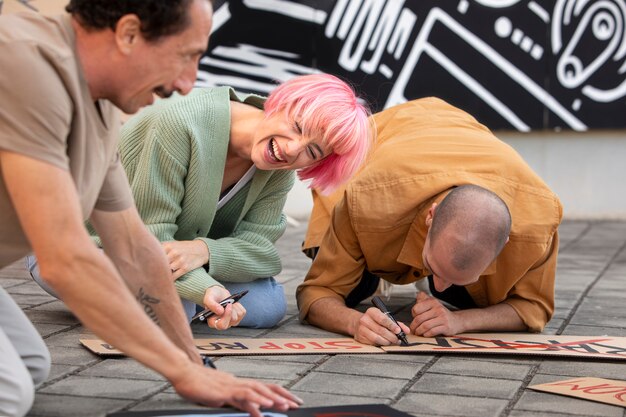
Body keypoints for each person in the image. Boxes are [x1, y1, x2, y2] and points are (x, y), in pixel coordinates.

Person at [0, 1, 300, 417]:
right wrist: (180, 372)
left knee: (30, 367)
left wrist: (194, 365)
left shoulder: (98, 103)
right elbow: (64, 260)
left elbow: (135, 247)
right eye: (186, 56)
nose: (187, 83)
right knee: (9, 393)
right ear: (127, 33)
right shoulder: (25, 67)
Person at [28, 73, 372, 329]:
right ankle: (171, 305)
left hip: (168, 260)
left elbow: (262, 251)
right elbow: (149, 240)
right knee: (184, 306)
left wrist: (204, 251)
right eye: (297, 126)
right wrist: (208, 290)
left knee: (268, 305)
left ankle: (158, 304)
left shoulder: (279, 164)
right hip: (84, 247)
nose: (292, 149)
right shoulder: (180, 123)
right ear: (282, 102)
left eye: (312, 151)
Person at [296, 97, 563, 346]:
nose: (440, 286)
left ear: (504, 243)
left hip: (459, 152)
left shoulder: (536, 223)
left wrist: (459, 320)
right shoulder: (366, 200)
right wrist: (356, 323)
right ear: (431, 217)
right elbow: (316, 293)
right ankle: (379, 273)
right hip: (384, 153)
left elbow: (534, 308)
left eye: (458, 279)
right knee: (353, 293)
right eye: (433, 267)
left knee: (473, 298)